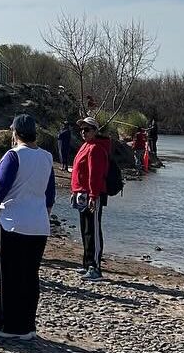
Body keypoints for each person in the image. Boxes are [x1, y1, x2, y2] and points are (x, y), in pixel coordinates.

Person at [0, 114, 56, 341]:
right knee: (30, 276)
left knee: (9, 275)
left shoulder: (13, 155)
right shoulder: (47, 157)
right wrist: (45, 214)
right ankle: (27, 325)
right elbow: (50, 193)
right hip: (38, 224)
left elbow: (1, 186)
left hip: (14, 222)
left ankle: (7, 325)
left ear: (15, 133)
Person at [72, 117, 112, 280]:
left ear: (95, 131)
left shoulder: (96, 148)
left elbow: (95, 175)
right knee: (85, 229)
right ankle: (87, 263)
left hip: (92, 194)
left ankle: (95, 267)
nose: (83, 132)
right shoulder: (85, 146)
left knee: (93, 230)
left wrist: (93, 196)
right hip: (82, 193)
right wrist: (75, 191)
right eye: (82, 129)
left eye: (87, 129)